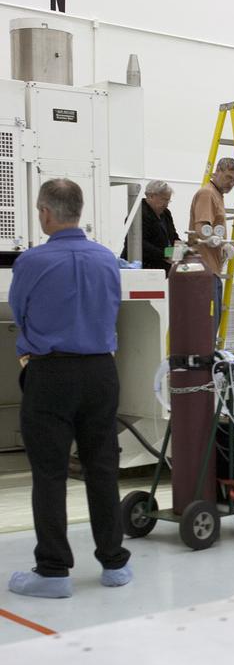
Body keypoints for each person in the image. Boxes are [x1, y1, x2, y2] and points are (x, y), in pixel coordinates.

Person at [8, 178, 132, 598]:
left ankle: (54, 571)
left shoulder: (31, 261)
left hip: (52, 375)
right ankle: (114, 563)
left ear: (45, 212)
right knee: (102, 468)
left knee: (49, 473)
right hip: (101, 373)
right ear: (79, 211)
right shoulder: (107, 260)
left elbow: (21, 314)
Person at [189, 157, 234, 331]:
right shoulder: (208, 194)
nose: (231, 183)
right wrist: (221, 244)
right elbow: (201, 227)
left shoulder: (217, 195)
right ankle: (202, 358)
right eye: (228, 177)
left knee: (211, 325)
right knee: (207, 327)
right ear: (217, 171)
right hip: (204, 270)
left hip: (212, 269)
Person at [122, 179, 178, 274]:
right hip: (142, 269)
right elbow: (139, 244)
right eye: (164, 199)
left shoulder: (166, 213)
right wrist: (165, 254)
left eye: (168, 200)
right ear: (151, 196)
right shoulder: (138, 214)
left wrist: (180, 247)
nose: (166, 204)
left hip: (161, 269)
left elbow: (173, 236)